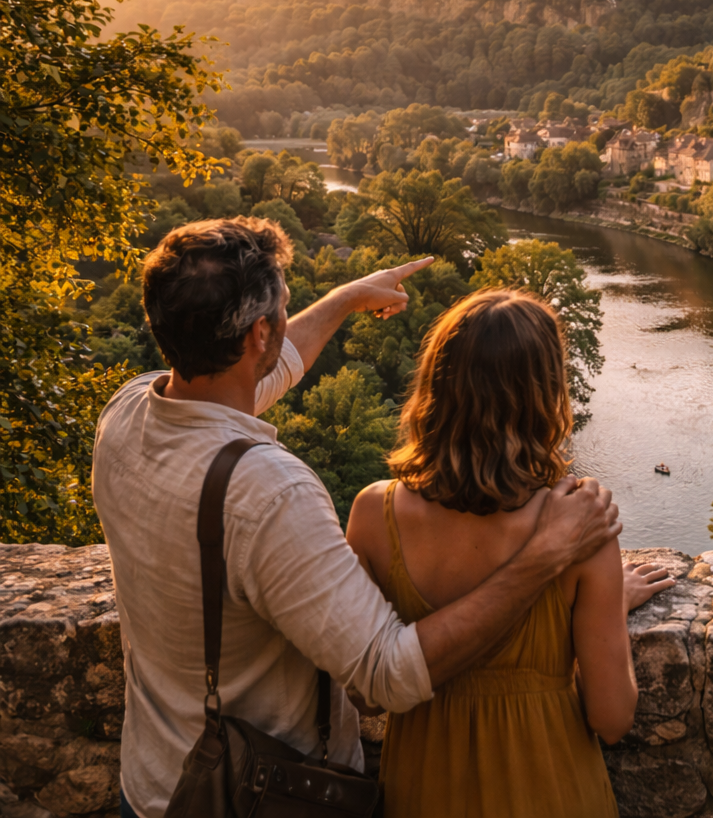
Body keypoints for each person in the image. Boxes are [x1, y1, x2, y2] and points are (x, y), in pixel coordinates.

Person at [92, 218, 621, 818]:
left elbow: (248, 380)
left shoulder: (129, 412)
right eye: (285, 309)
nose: (289, 322)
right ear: (259, 333)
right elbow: (385, 675)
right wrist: (544, 559)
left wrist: (346, 298)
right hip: (262, 795)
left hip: (155, 782)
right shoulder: (269, 493)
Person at [344, 287, 640, 816]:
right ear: (546, 392)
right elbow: (611, 718)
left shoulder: (373, 514)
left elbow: (365, 694)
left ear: (436, 384)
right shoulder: (579, 524)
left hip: (422, 789)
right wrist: (609, 607)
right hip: (551, 790)